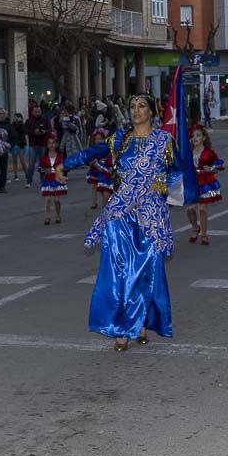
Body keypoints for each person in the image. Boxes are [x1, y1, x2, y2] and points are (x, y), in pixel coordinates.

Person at [59, 94, 178, 352]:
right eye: (133, 106)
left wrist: (157, 190)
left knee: (145, 269)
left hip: (150, 214)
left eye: (142, 106)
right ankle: (123, 328)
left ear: (152, 112)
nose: (136, 110)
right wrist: (65, 165)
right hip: (121, 211)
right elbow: (93, 152)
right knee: (120, 270)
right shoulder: (120, 140)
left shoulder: (163, 141)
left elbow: (178, 171)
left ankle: (141, 322)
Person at [187, 125, 224, 245]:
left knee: (202, 209)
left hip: (205, 183)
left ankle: (204, 234)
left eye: (198, 135)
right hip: (192, 183)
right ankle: (195, 227)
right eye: (193, 136)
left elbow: (218, 166)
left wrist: (211, 168)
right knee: (190, 208)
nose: (195, 138)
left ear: (203, 138)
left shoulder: (208, 152)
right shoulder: (188, 152)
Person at [39, 135, 67, 225]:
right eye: (49, 143)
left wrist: (62, 170)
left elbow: (65, 167)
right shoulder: (44, 156)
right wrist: (44, 170)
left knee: (56, 200)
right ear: (47, 145)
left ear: (56, 145)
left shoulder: (60, 155)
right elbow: (40, 168)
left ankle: (58, 215)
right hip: (48, 180)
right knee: (47, 200)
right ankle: (47, 217)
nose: (51, 145)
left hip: (57, 179)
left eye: (53, 143)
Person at [23, 105, 53, 187]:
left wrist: (44, 131)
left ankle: (43, 181)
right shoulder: (29, 121)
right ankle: (29, 181)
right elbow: (25, 130)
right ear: (32, 112)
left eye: (39, 111)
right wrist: (34, 131)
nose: (37, 113)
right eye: (36, 111)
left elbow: (50, 130)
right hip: (33, 145)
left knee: (42, 164)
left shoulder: (45, 120)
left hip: (43, 144)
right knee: (31, 164)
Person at [85, 130, 114, 211]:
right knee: (94, 185)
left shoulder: (106, 148)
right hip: (95, 169)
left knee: (103, 186)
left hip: (103, 169)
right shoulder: (93, 149)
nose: (98, 140)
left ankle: (105, 201)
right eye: (96, 139)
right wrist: (90, 162)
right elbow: (88, 159)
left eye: (100, 139)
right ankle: (94, 202)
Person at [0, 108, 14, 193]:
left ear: (6, 115)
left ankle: (2, 186)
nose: (1, 115)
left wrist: (9, 146)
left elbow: (13, 137)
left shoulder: (9, 125)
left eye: (3, 114)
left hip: (4, 151)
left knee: (3, 169)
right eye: (0, 113)